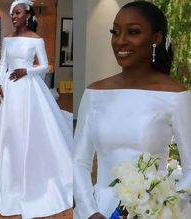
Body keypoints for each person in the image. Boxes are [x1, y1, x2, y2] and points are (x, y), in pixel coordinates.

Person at [73, 1, 191, 219]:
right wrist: (89, 211)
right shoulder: (94, 93)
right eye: (115, 32)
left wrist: (161, 208)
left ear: (156, 38)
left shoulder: (176, 96)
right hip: (98, 209)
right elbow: (79, 161)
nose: (120, 41)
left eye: (133, 32)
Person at [0, 0, 72, 218]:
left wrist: (26, 71)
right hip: (8, 87)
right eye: (12, 14)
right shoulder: (7, 39)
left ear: (27, 15)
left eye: (17, 13)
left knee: (27, 127)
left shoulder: (36, 39)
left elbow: (44, 66)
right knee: (0, 129)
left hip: (28, 88)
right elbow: (2, 66)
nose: (14, 17)